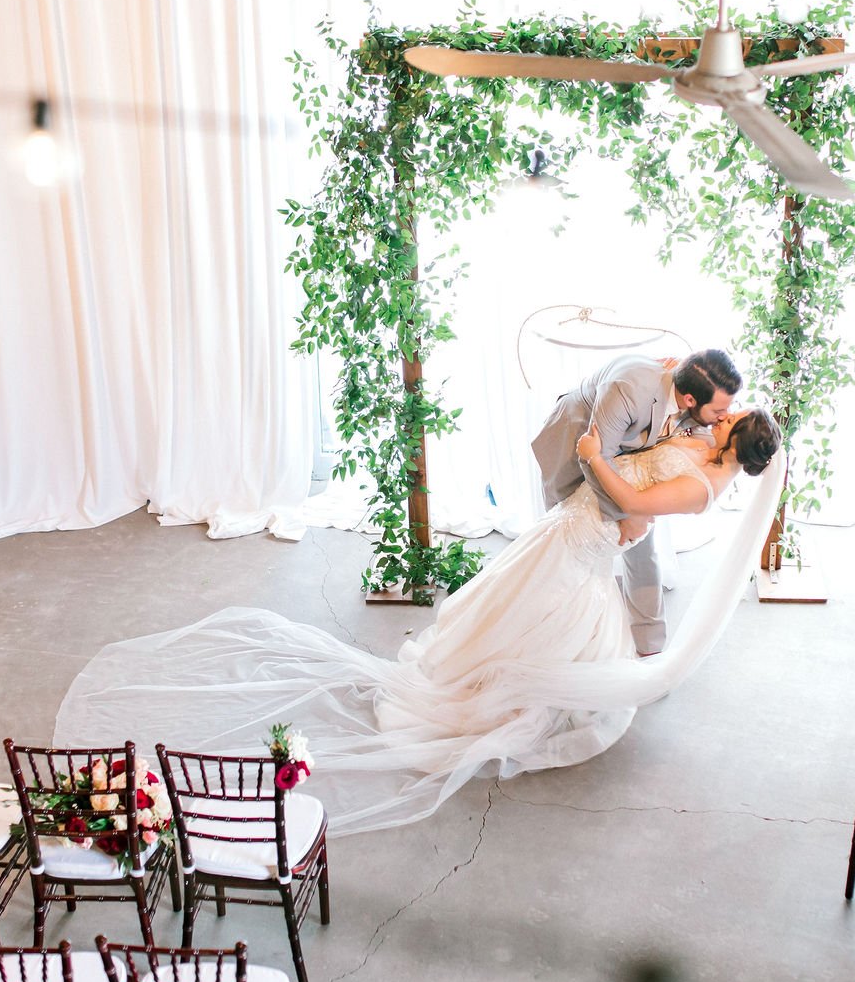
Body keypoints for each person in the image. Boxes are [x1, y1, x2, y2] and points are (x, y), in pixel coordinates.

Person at [53, 406, 784, 835]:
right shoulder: (706, 450)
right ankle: (486, 681)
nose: (721, 412)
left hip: (587, 538)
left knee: (544, 632)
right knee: (515, 617)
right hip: (573, 535)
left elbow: (631, 500)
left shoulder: (698, 488)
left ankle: (488, 702)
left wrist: (593, 454)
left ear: (731, 445)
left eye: (730, 415)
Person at [531, 350, 742, 654]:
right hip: (577, 443)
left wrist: (636, 512)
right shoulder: (630, 389)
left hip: (626, 460)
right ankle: (563, 637)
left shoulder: (695, 384)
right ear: (690, 400)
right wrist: (626, 513)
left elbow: (700, 433)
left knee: (643, 547)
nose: (724, 415)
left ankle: (649, 642)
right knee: (569, 542)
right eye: (719, 409)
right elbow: (596, 456)